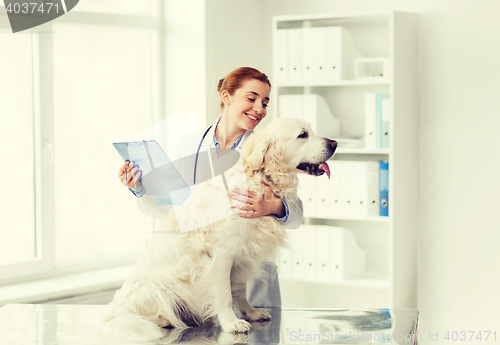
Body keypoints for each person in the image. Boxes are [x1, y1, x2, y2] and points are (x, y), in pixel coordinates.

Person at [117, 67, 303, 308]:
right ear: (226, 97)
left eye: (265, 102)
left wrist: (276, 206)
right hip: (201, 279)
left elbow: (296, 215)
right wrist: (140, 188)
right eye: (251, 98)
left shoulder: (268, 148)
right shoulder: (189, 145)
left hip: (251, 278)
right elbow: (175, 212)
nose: (259, 109)